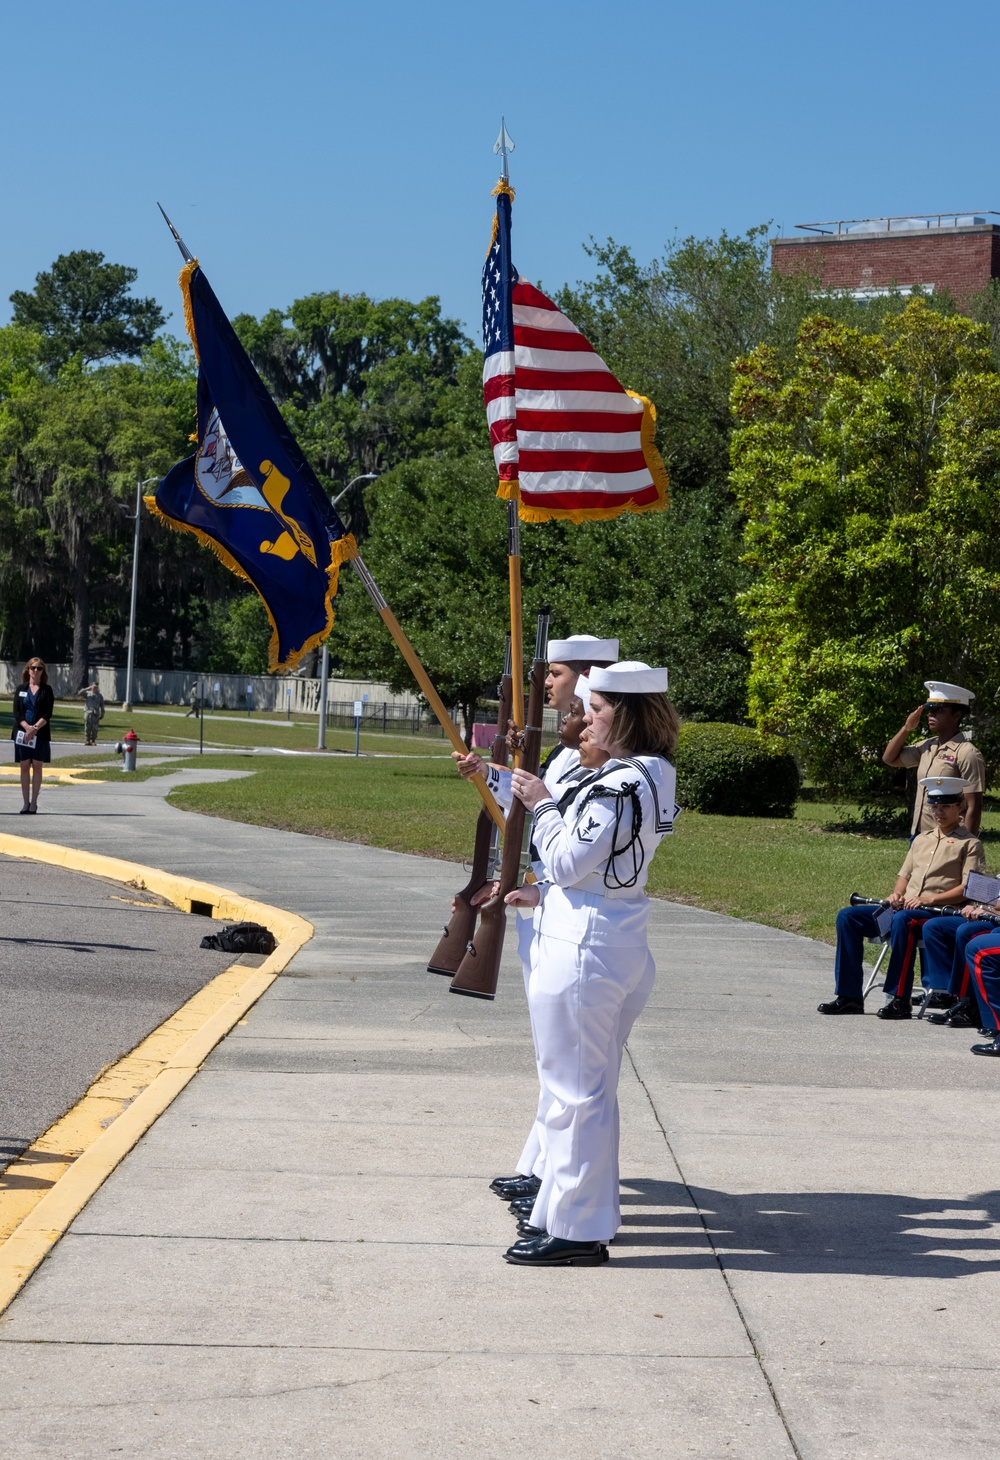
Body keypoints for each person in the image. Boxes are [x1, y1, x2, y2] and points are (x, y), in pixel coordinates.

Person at [500, 661, 678, 1267]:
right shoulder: (648, 774)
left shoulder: (623, 781)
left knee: (578, 1094)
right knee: (583, 1089)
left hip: (586, 945)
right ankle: (565, 1210)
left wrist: (543, 804)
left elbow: (575, 859)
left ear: (626, 717)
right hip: (610, 932)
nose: (585, 721)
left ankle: (578, 1229)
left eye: (597, 710)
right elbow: (594, 870)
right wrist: (542, 890)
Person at [452, 632, 619, 1207]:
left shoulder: (602, 759)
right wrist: (485, 773)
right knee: (554, 1058)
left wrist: (538, 880)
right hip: (545, 902)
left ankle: (555, 1180)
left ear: (589, 676)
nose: (545, 684)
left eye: (555, 674)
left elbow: (562, 824)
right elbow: (530, 801)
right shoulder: (572, 750)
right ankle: (541, 1165)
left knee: (567, 1065)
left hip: (568, 910)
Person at [818, 777, 985, 1019]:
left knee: (903, 920)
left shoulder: (970, 843)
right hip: (905, 907)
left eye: (946, 806)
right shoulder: (921, 839)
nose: (939, 812)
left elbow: (970, 889)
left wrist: (928, 900)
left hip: (935, 913)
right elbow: (904, 875)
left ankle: (900, 999)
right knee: (848, 917)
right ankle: (849, 996)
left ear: (960, 806)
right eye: (935, 806)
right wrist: (896, 894)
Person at [883, 682, 985, 837]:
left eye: (939, 710)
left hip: (950, 838)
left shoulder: (967, 753)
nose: (931, 715)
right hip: (920, 835)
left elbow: (974, 805)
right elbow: (889, 758)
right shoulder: (927, 747)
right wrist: (906, 728)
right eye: (930, 710)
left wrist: (967, 845)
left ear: (957, 715)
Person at [922, 900, 1000, 1028]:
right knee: (933, 927)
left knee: (969, 936)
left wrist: (988, 909)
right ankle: (951, 996)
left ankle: (973, 1006)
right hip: (989, 916)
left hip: (993, 917)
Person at [12, 658, 55, 815]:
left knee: (37, 765)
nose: (35, 671)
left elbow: (48, 713)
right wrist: (26, 727)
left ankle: (34, 803)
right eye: (33, 667)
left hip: (41, 733)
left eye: (39, 668)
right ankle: (25, 803)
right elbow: (17, 712)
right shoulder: (20, 689)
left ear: (43, 671)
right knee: (24, 766)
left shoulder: (47, 690)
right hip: (22, 733)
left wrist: (35, 728)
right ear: (28, 669)